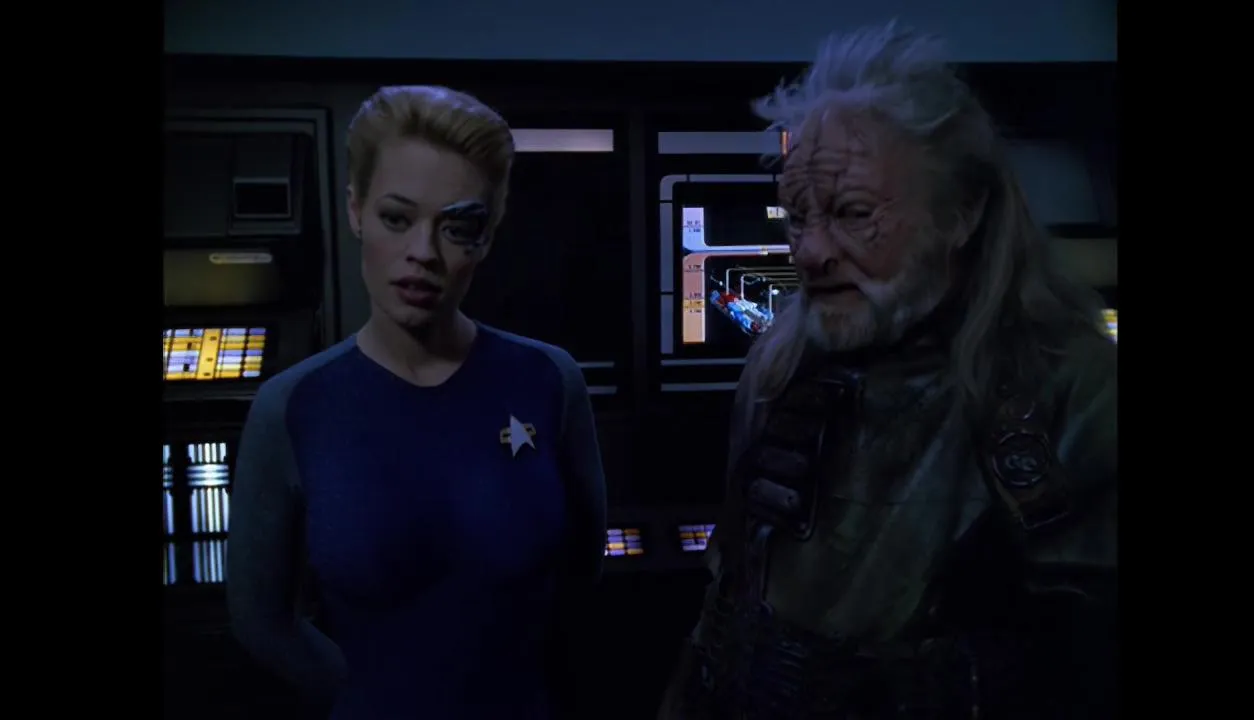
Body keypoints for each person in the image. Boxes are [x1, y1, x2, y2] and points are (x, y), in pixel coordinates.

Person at [659, 23, 1117, 720]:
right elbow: (726, 602)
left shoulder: (1072, 388)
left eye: (853, 213)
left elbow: (1089, 660)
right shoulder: (779, 364)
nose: (810, 252)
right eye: (798, 216)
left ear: (961, 213)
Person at [226, 85, 607, 720]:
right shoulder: (292, 406)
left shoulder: (548, 379)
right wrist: (368, 699)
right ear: (356, 211)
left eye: (456, 228)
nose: (423, 254)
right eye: (397, 219)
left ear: (486, 237)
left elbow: (581, 569)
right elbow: (260, 619)